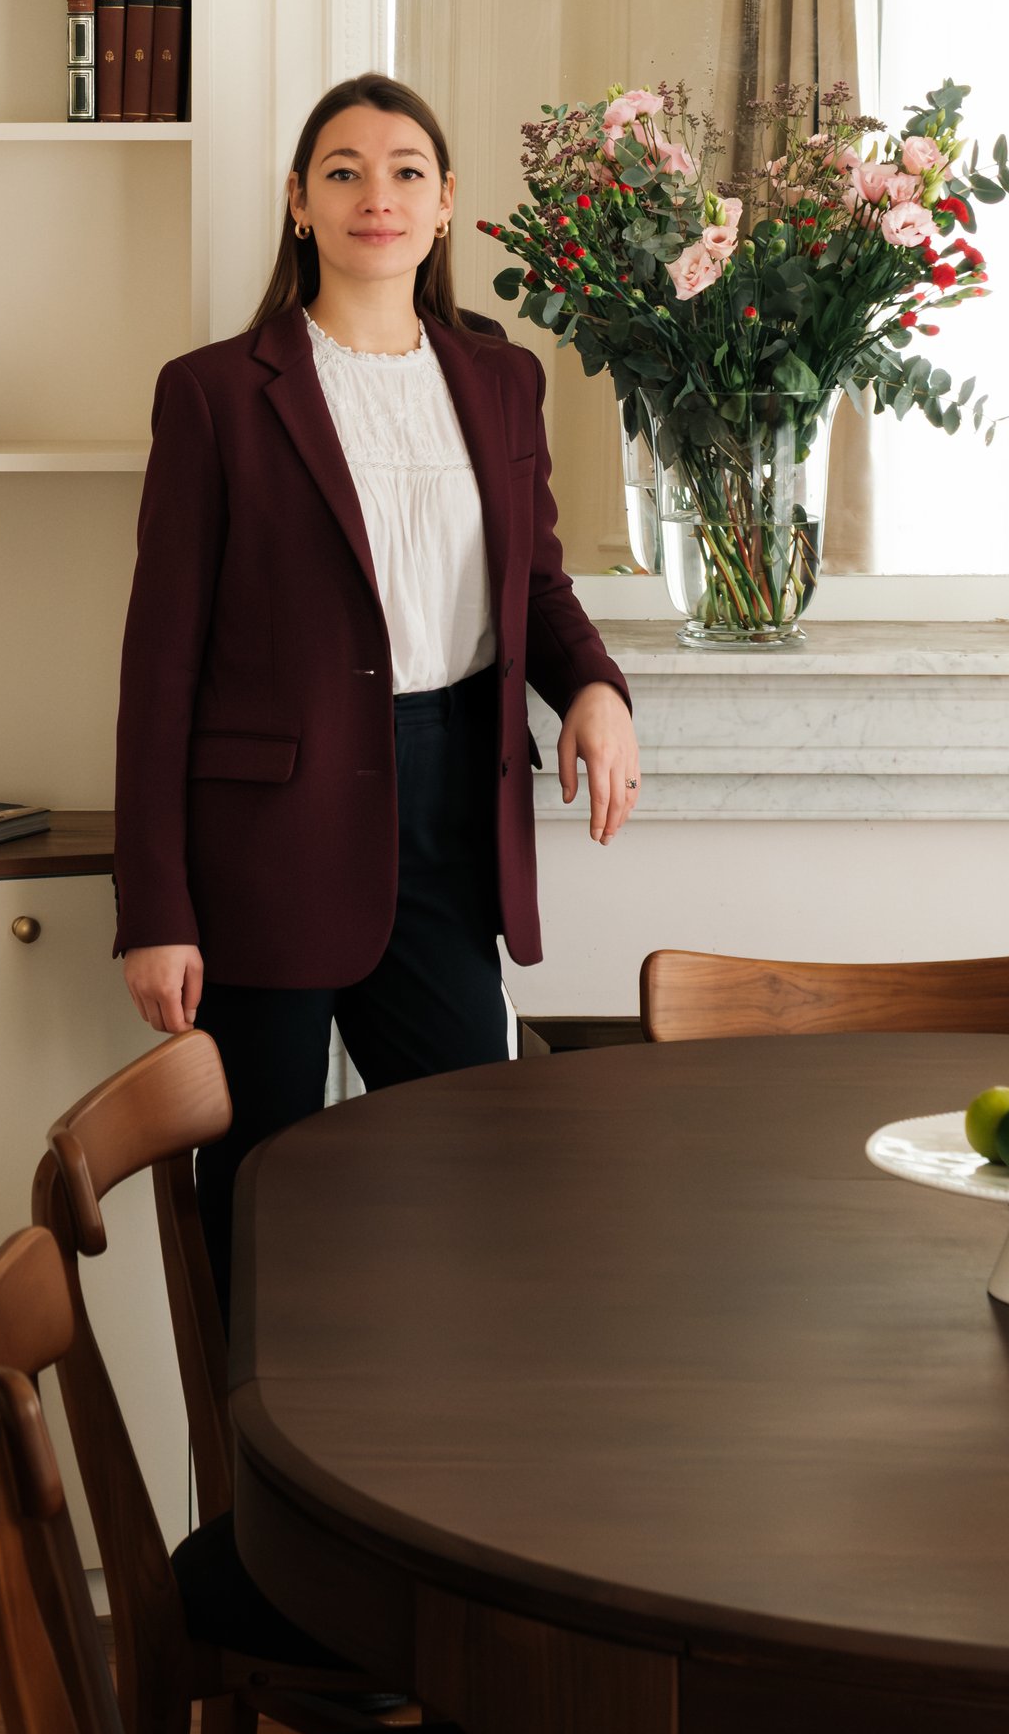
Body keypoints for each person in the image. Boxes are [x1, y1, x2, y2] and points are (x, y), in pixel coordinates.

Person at [113, 70, 641, 1311]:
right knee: (262, 1201)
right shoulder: (215, 395)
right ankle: (259, 1485)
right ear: (298, 203)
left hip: (452, 816)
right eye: (342, 171)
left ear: (446, 203)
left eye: (405, 171)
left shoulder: (502, 382)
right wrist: (155, 907)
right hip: (267, 846)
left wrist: (597, 691)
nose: (376, 196)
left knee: (468, 1174)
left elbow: (539, 587)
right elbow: (158, 662)